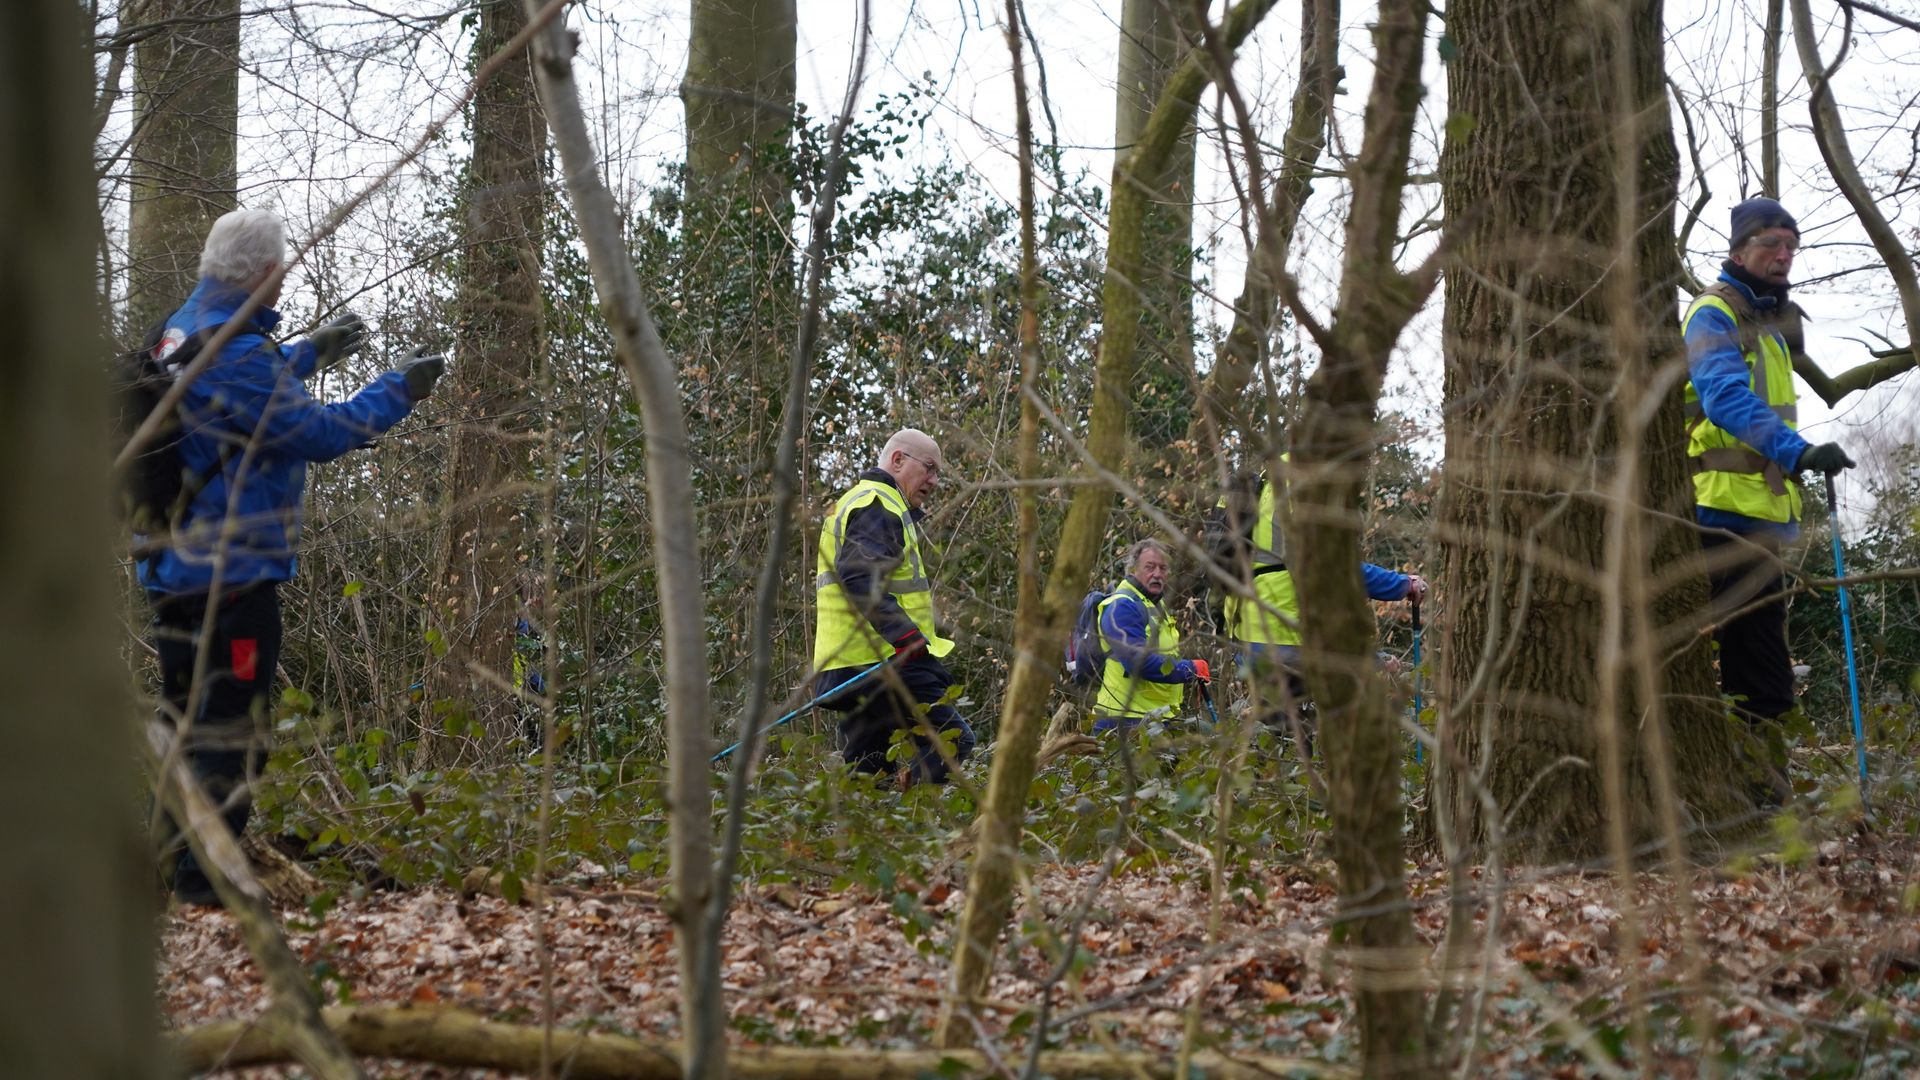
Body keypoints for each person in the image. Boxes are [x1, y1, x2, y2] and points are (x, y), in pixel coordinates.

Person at [143, 208, 447, 905]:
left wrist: (313, 350)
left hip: (175, 571)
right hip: (229, 579)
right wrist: (398, 390)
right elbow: (316, 431)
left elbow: (241, 387)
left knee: (186, 721)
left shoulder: (184, 329)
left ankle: (169, 867)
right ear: (267, 276)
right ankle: (204, 884)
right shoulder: (240, 355)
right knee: (231, 730)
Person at [1683, 196, 1854, 785]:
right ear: (1738, 251)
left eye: (1790, 247)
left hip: (1758, 514)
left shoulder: (1769, 324)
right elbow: (1724, 397)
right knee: (1760, 668)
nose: (1783, 256)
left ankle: (1750, 785)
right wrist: (1798, 452)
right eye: (1769, 245)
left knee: (1757, 658)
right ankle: (1760, 793)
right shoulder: (1714, 314)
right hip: (1721, 512)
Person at [1204, 454, 1428, 743]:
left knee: (1280, 737)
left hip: (1246, 636)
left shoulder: (1258, 481)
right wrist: (1401, 584)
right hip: (1288, 634)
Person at [812, 429, 976, 786]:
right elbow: (860, 579)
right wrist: (906, 637)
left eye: (938, 474)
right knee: (953, 742)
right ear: (898, 460)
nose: (933, 481)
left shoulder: (856, 502)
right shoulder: (879, 504)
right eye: (929, 468)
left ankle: (874, 832)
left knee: (866, 772)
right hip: (887, 661)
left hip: (847, 664)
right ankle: (913, 813)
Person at [1091, 539, 1210, 734]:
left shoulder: (1155, 603)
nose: (1157, 574)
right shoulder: (1122, 606)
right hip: (1124, 720)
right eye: (1150, 567)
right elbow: (1137, 661)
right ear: (1133, 569)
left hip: (1154, 718)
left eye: (1163, 568)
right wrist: (1190, 669)